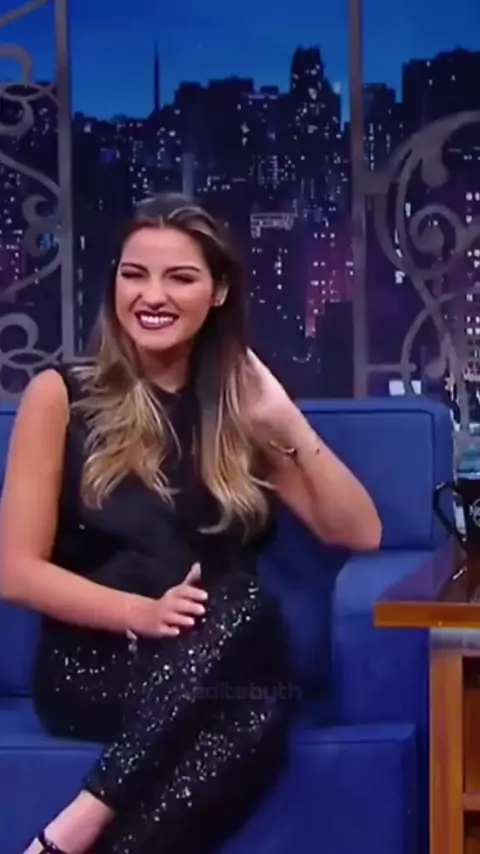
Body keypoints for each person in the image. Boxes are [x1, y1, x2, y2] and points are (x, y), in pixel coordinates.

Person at [0, 192, 382, 854]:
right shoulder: (60, 396)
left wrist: (284, 419)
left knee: (250, 651)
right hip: (96, 670)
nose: (152, 296)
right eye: (134, 275)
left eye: (180, 277)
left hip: (221, 662)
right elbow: (14, 571)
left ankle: (68, 837)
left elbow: (360, 531)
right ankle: (81, 822)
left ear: (219, 291)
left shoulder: (240, 409)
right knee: (251, 637)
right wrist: (142, 614)